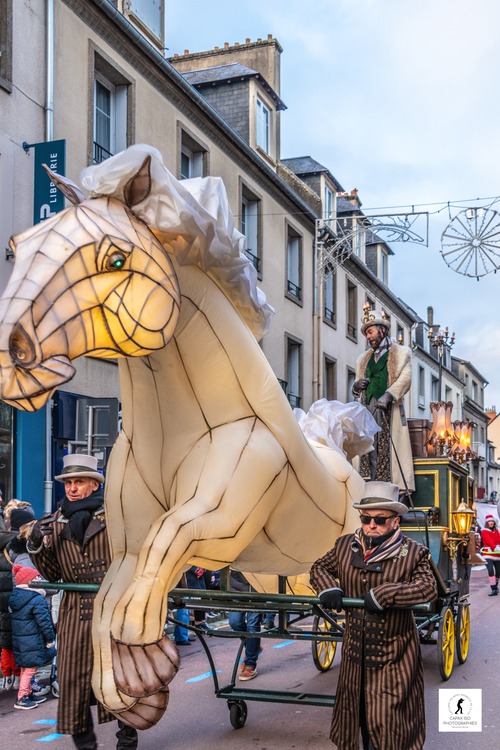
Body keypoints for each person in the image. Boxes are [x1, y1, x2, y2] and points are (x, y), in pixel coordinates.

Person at [310, 481, 437, 750]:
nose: (371, 525)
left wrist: (386, 594)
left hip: (395, 653)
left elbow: (428, 588)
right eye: (366, 518)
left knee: (390, 722)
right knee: (353, 718)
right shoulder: (345, 546)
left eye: (380, 519)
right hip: (355, 655)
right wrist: (328, 588)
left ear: (395, 522)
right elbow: (319, 567)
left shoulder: (414, 553)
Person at [27, 453, 139, 750]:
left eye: (79, 482)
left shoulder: (117, 517)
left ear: (93, 484)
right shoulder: (52, 523)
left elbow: (131, 558)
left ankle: (127, 742)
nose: (72, 488)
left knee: (119, 681)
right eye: (68, 482)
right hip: (74, 614)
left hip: (112, 610)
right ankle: (86, 746)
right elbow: (52, 574)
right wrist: (36, 545)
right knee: (74, 685)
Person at [353, 307, 415, 495]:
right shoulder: (362, 359)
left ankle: (388, 488)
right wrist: (356, 387)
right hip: (367, 407)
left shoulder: (401, 353)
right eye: (366, 334)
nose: (368, 337)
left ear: (382, 329)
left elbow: (406, 377)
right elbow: (357, 384)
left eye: (370, 332)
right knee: (368, 445)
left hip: (388, 408)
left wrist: (389, 395)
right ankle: (369, 485)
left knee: (385, 447)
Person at [0, 502, 37, 693]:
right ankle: (19, 679)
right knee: (22, 639)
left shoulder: (4, 543)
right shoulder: (21, 545)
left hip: (3, 598)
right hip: (19, 594)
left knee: (6, 639)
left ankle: (7, 676)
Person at [9, 564, 56, 710]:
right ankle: (22, 698)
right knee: (30, 669)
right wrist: (50, 639)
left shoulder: (16, 598)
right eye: (36, 577)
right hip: (33, 640)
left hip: (21, 640)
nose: (39, 579)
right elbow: (44, 622)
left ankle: (28, 693)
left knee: (26, 667)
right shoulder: (36, 599)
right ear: (29, 581)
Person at [229, 570, 262, 681]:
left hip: (258, 587)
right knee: (234, 623)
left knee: (253, 625)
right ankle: (253, 647)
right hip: (237, 587)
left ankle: (250, 664)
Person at [480, 514, 500, 596]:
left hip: (497, 554)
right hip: (488, 554)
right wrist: (495, 547)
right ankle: (493, 588)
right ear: (486, 523)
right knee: (490, 570)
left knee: (498, 572)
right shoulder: (484, 531)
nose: (491, 522)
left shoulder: (497, 531)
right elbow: (488, 541)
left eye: (492, 521)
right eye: (489, 521)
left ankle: (496, 586)